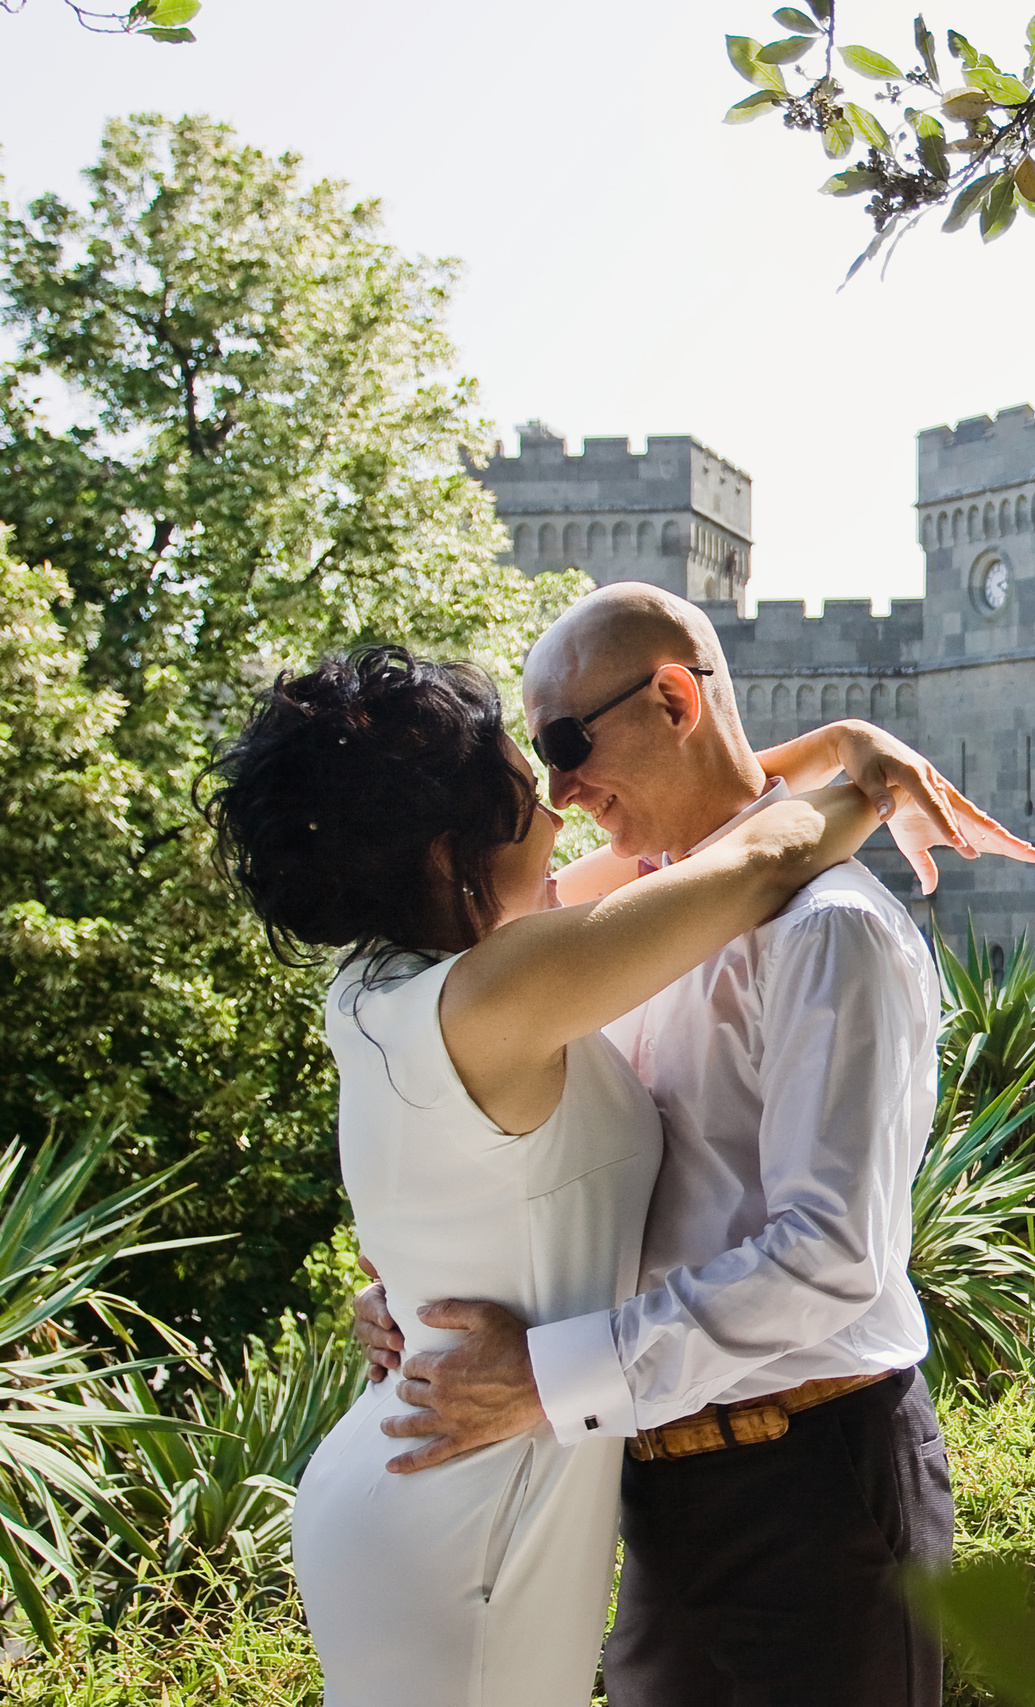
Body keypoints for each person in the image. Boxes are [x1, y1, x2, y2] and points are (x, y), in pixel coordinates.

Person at [200, 642, 986, 1706]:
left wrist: (414, 1301)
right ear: (448, 854)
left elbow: (699, 843)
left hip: (419, 1469)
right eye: (532, 788)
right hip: (466, 1508)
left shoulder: (395, 987)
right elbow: (754, 862)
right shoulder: (510, 985)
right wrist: (864, 768)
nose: (565, 808)